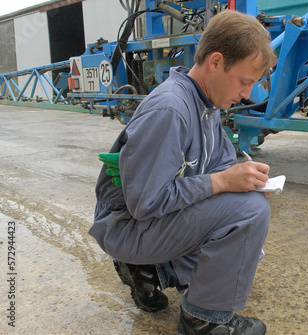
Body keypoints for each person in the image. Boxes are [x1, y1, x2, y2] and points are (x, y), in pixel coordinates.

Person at [89, 9, 277, 335]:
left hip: (145, 223)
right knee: (248, 213)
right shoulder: (171, 110)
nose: (248, 94)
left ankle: (153, 271)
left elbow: (217, 166)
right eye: (245, 81)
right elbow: (146, 202)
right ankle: (202, 319)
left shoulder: (207, 105)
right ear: (216, 62)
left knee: (241, 204)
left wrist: (239, 176)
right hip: (127, 224)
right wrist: (221, 182)